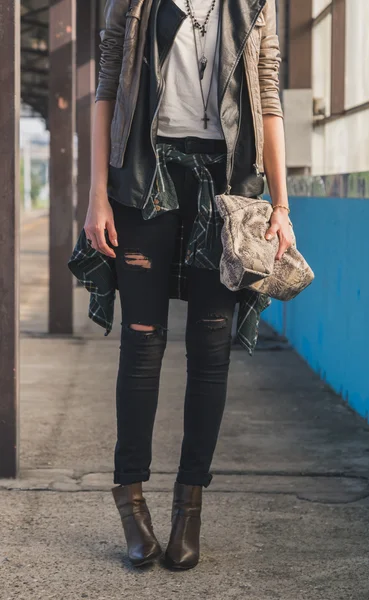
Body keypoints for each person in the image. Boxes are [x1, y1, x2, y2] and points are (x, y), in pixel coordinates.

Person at [76, 0, 291, 570]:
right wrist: (97, 193)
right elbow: (106, 89)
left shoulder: (253, 5)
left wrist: (281, 204)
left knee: (211, 346)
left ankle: (189, 506)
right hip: (145, 176)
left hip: (223, 186)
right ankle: (131, 499)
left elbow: (267, 97)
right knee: (143, 342)